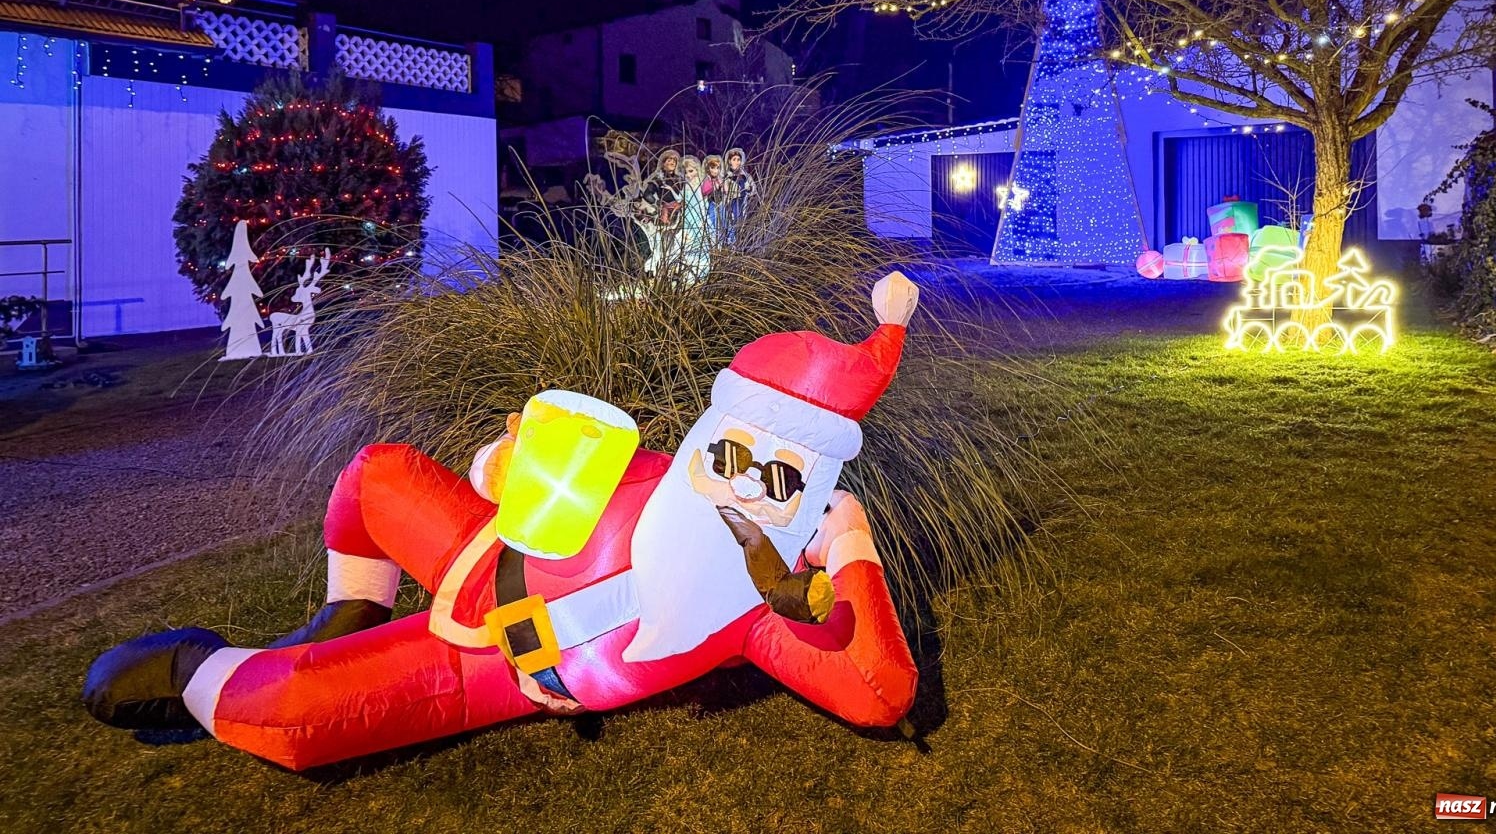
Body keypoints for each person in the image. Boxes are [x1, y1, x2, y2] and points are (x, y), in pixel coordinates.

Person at [82, 274, 924, 772]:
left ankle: (196, 668)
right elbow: (506, 478)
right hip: (483, 549)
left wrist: (852, 544)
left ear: (811, 494)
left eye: (781, 479)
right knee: (377, 475)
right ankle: (351, 610)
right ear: (712, 432)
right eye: (733, 453)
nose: (742, 487)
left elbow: (878, 694)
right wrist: (502, 458)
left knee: (299, 712)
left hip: (495, 661)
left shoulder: (755, 612)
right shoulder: (651, 473)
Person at [637, 149, 682, 278]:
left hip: (678, 211)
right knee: (662, 240)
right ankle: (656, 268)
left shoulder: (679, 179)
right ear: (663, 164)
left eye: (674, 161)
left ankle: (671, 267)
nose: (672, 163)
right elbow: (647, 193)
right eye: (669, 161)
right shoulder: (659, 180)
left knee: (675, 240)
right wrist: (657, 203)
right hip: (665, 212)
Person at [677, 156, 712, 283]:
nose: (688, 175)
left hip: (699, 218)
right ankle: (690, 274)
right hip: (688, 218)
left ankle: (703, 272)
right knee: (688, 244)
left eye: (691, 171)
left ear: (697, 170)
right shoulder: (686, 187)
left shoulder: (701, 185)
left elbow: (704, 203)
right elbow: (681, 201)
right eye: (686, 172)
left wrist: (703, 220)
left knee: (701, 244)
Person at [723, 147, 756, 244]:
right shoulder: (727, 176)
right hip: (732, 204)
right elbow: (725, 191)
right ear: (729, 161)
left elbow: (753, 189)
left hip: (743, 202)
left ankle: (740, 242)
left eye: (738, 160)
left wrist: (749, 189)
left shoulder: (746, 175)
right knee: (732, 223)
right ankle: (731, 242)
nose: (737, 162)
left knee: (742, 223)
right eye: (734, 160)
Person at [701, 153, 727, 246]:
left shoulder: (720, 180)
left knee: (725, 220)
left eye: (717, 168)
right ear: (708, 169)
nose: (715, 171)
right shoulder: (707, 181)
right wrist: (713, 187)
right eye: (713, 168)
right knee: (713, 221)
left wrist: (722, 186)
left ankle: (728, 240)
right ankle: (715, 241)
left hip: (721, 203)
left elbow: (726, 191)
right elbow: (704, 191)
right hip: (711, 203)